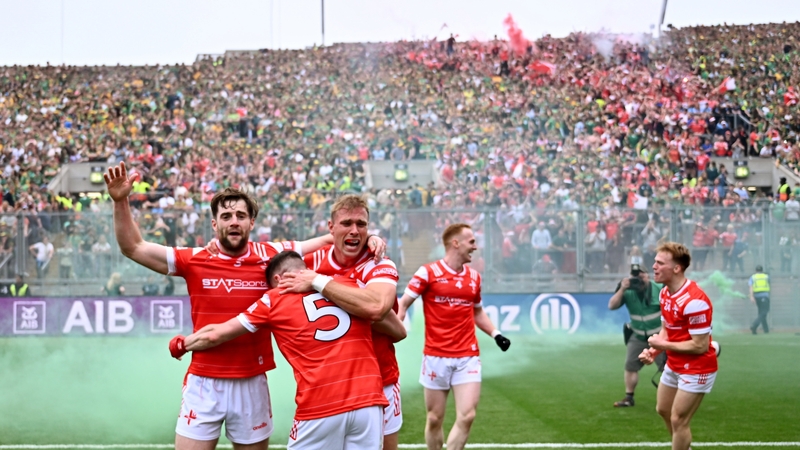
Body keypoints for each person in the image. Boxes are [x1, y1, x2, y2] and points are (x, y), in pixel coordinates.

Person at [104, 162, 385, 450]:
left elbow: (336, 238)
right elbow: (133, 247)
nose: (234, 221)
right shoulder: (194, 258)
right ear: (215, 224)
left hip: (251, 381)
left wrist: (371, 238)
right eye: (226, 216)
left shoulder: (273, 254)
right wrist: (121, 201)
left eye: (241, 215)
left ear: (252, 222)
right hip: (203, 382)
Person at [170, 251, 388, 450]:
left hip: (321, 404)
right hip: (369, 401)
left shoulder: (274, 298)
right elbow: (397, 330)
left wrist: (182, 344)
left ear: (278, 280)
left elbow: (214, 335)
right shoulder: (344, 284)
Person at [270, 194, 407, 450]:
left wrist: (320, 285)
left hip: (381, 380)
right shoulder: (310, 262)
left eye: (361, 224)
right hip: (328, 388)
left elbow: (379, 310)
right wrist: (216, 249)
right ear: (331, 228)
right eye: (346, 223)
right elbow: (259, 263)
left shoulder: (378, 262)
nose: (354, 230)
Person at [397, 223, 511, 450]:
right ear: (455, 243)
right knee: (434, 419)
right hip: (435, 357)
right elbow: (403, 304)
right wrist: (393, 329)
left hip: (467, 356)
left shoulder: (474, 278)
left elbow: (477, 311)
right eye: (471, 242)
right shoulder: (427, 272)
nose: (475, 247)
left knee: (467, 416)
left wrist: (496, 334)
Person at [640, 242, 718, 450]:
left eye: (659, 263)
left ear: (676, 268)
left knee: (678, 420)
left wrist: (661, 344)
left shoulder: (695, 301)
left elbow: (700, 346)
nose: (653, 266)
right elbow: (668, 330)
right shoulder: (665, 293)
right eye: (654, 262)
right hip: (675, 364)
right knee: (663, 410)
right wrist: (654, 351)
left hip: (697, 368)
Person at [607, 265, 665, 407]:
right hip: (638, 335)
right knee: (630, 366)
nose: (638, 280)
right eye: (635, 277)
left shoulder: (660, 288)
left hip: (659, 336)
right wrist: (622, 288)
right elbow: (612, 305)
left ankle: (669, 398)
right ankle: (629, 397)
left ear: (648, 276)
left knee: (667, 369)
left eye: (642, 276)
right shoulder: (627, 291)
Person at [749, 265, 770, 334]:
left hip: (757, 296)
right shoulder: (766, 276)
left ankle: (766, 329)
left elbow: (751, 287)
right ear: (762, 270)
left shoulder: (753, 277)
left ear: (755, 270)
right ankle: (754, 325)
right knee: (764, 312)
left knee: (761, 313)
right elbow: (769, 281)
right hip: (764, 296)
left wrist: (751, 296)